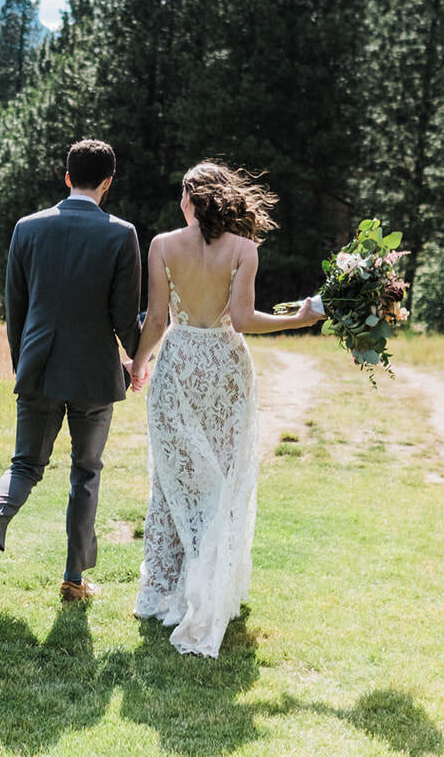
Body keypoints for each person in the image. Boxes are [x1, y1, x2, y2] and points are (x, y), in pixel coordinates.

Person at [128, 162, 324, 656]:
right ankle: (208, 584)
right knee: (223, 476)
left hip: (178, 365)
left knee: (172, 477)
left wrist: (138, 363)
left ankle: (163, 591)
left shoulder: (161, 246)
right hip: (225, 369)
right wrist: (297, 319)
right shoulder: (244, 250)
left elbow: (155, 318)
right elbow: (241, 320)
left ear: (191, 199)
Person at [0, 138, 143, 608]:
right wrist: (137, 362)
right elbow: (124, 315)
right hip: (96, 374)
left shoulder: (27, 228)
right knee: (86, 472)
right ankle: (74, 579)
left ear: (66, 178)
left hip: (37, 365)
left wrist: (25, 366)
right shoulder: (121, 234)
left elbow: (14, 308)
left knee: (25, 464)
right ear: (107, 183)